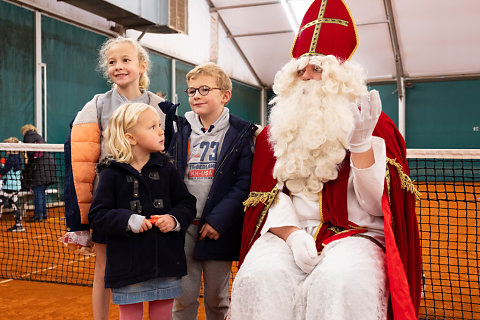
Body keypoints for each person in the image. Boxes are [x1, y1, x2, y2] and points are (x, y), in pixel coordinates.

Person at [229, 0, 422, 319]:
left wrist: (360, 146)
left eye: (316, 68)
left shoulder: (375, 126)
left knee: (341, 283)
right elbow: (270, 197)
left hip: (356, 233)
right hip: (289, 231)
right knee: (257, 278)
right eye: (299, 70)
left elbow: (379, 207)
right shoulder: (274, 131)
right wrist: (290, 234)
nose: (306, 77)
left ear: (338, 76)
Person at [60, 36, 168, 319]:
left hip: (151, 200)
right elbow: (82, 159)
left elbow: (168, 153)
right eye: (112, 62)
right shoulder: (95, 106)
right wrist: (81, 217)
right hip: (110, 200)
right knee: (104, 267)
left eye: (126, 60)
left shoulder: (161, 106)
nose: (118, 67)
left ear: (142, 65)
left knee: (156, 264)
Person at [158, 62, 257, 320]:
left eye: (204, 89)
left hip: (218, 229)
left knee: (217, 298)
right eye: (191, 91)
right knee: (183, 297)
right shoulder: (179, 129)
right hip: (183, 226)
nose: (196, 96)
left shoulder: (241, 132)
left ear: (225, 95)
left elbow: (244, 183)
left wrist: (218, 220)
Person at [87, 102, 196, 320]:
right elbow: (97, 214)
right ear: (130, 138)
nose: (161, 131)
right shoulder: (111, 173)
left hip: (166, 262)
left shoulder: (167, 169)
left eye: (159, 125)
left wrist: (174, 219)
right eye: (152, 127)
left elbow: (187, 203)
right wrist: (128, 220)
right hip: (128, 268)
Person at [21, 124, 57, 222]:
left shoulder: (28, 136)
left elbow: (30, 152)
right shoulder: (38, 136)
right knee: (41, 192)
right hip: (48, 167)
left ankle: (38, 215)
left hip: (40, 168)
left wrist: (28, 158)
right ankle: (43, 214)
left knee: (38, 192)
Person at [0, 137, 24, 232]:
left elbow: (4, 171)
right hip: (16, 186)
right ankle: (19, 225)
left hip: (10, 187)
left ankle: (19, 225)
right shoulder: (17, 157)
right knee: (13, 204)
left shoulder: (12, 159)